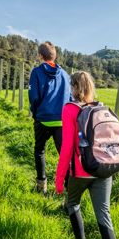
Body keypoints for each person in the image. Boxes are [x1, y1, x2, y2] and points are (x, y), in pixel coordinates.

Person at [55, 71, 116, 239]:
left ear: (73, 88)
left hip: (80, 171)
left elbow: (66, 149)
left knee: (72, 203)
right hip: (103, 169)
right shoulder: (100, 107)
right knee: (104, 216)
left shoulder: (70, 109)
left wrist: (59, 179)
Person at [29, 41, 71, 195]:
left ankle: (41, 185)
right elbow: (71, 97)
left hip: (43, 119)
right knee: (64, 154)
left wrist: (35, 113)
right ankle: (67, 189)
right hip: (62, 121)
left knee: (39, 150)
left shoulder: (36, 72)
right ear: (55, 56)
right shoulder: (65, 75)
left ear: (40, 55)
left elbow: (33, 96)